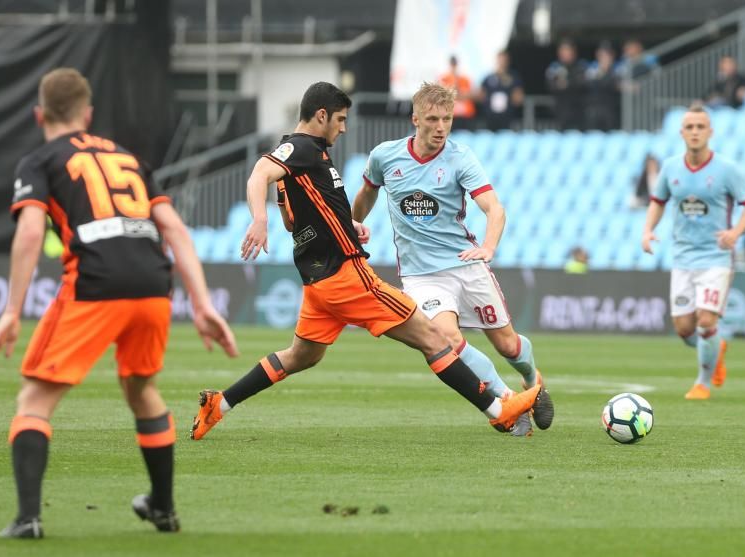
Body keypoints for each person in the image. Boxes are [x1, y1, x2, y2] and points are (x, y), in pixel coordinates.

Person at [190, 82, 550, 441]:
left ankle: (220, 404)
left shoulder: (307, 159)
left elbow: (296, 219)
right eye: (340, 119)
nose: (344, 127)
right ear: (321, 116)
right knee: (435, 338)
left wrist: (347, 226)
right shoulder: (301, 149)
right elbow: (259, 174)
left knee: (300, 356)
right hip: (348, 276)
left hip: (318, 282)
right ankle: (500, 408)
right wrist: (258, 218)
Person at [0, 68, 239, 539]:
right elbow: (175, 229)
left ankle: (27, 519)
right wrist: (201, 304)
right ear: (88, 114)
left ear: (40, 114)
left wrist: (12, 312)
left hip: (96, 283)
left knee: (35, 399)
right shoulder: (127, 157)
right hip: (153, 285)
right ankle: (162, 507)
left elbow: (32, 232)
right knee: (141, 389)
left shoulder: (39, 160)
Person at [351, 83, 554, 436]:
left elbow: (494, 208)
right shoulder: (385, 156)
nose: (441, 127)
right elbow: (366, 195)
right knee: (447, 337)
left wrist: (489, 247)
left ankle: (531, 379)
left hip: (466, 264)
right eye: (432, 119)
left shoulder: (460, 157)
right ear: (415, 119)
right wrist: (352, 225)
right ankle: (506, 400)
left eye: (447, 119)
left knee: (507, 344)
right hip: (421, 275)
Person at [641, 104, 745, 400]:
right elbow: (658, 201)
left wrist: (735, 233)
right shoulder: (670, 168)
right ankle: (715, 347)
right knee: (684, 328)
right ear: (682, 133)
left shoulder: (726, 170)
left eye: (700, 127)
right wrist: (647, 230)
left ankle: (702, 383)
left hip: (715, 257)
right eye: (689, 127)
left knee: (706, 320)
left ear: (710, 132)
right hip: (682, 257)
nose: (695, 132)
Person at [545, 38, 588, 130]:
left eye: (567, 50)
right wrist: (570, 83)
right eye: (563, 50)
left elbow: (583, 84)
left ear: (574, 51)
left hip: (579, 112)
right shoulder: (554, 68)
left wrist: (567, 83)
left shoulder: (581, 66)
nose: (565, 53)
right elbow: (552, 86)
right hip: (561, 112)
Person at [479, 50, 524, 131]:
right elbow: (481, 95)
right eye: (500, 60)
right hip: (490, 116)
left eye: (503, 60)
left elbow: (518, 98)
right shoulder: (489, 77)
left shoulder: (513, 77)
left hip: (507, 117)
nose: (501, 62)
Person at [439, 56, 476, 129]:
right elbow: (443, 96)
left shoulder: (464, 79)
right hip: (451, 114)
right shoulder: (444, 78)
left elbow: (468, 95)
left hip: (465, 114)